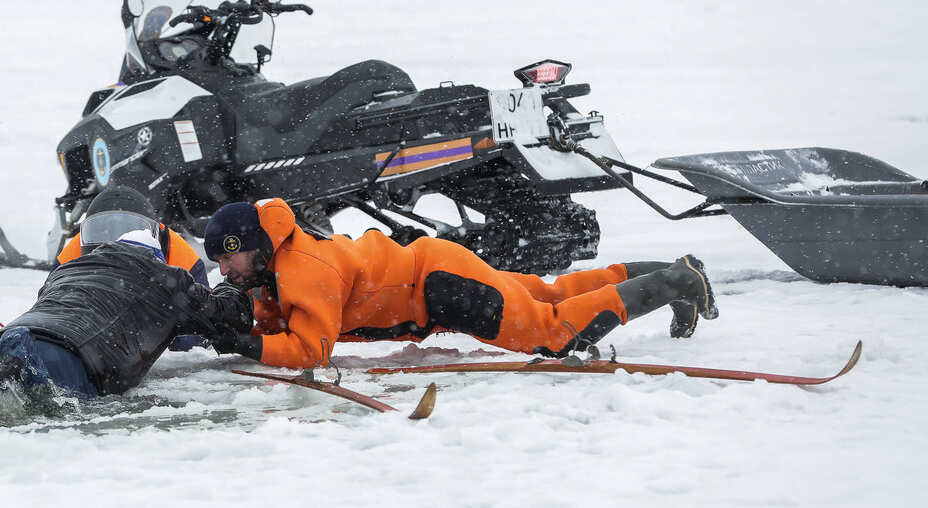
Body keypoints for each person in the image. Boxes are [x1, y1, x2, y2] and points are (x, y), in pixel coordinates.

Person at [202, 198, 718, 369]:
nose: (223, 271)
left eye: (227, 260)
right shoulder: (277, 265)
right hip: (437, 269)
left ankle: (675, 281)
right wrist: (232, 320)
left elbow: (310, 348)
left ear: (254, 246)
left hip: (442, 288)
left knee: (552, 331)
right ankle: (668, 271)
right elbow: (278, 319)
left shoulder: (304, 270)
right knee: (550, 294)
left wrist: (242, 344)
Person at [0, 227, 253, 405]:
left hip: (11, 337)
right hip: (69, 359)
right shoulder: (164, 279)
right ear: (155, 255)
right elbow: (227, 318)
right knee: (24, 407)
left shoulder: (71, 269)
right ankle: (21, 365)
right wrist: (236, 284)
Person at [55, 186, 210, 351]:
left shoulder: (184, 259)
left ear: (155, 236)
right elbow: (53, 314)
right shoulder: (70, 257)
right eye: (106, 231)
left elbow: (197, 337)